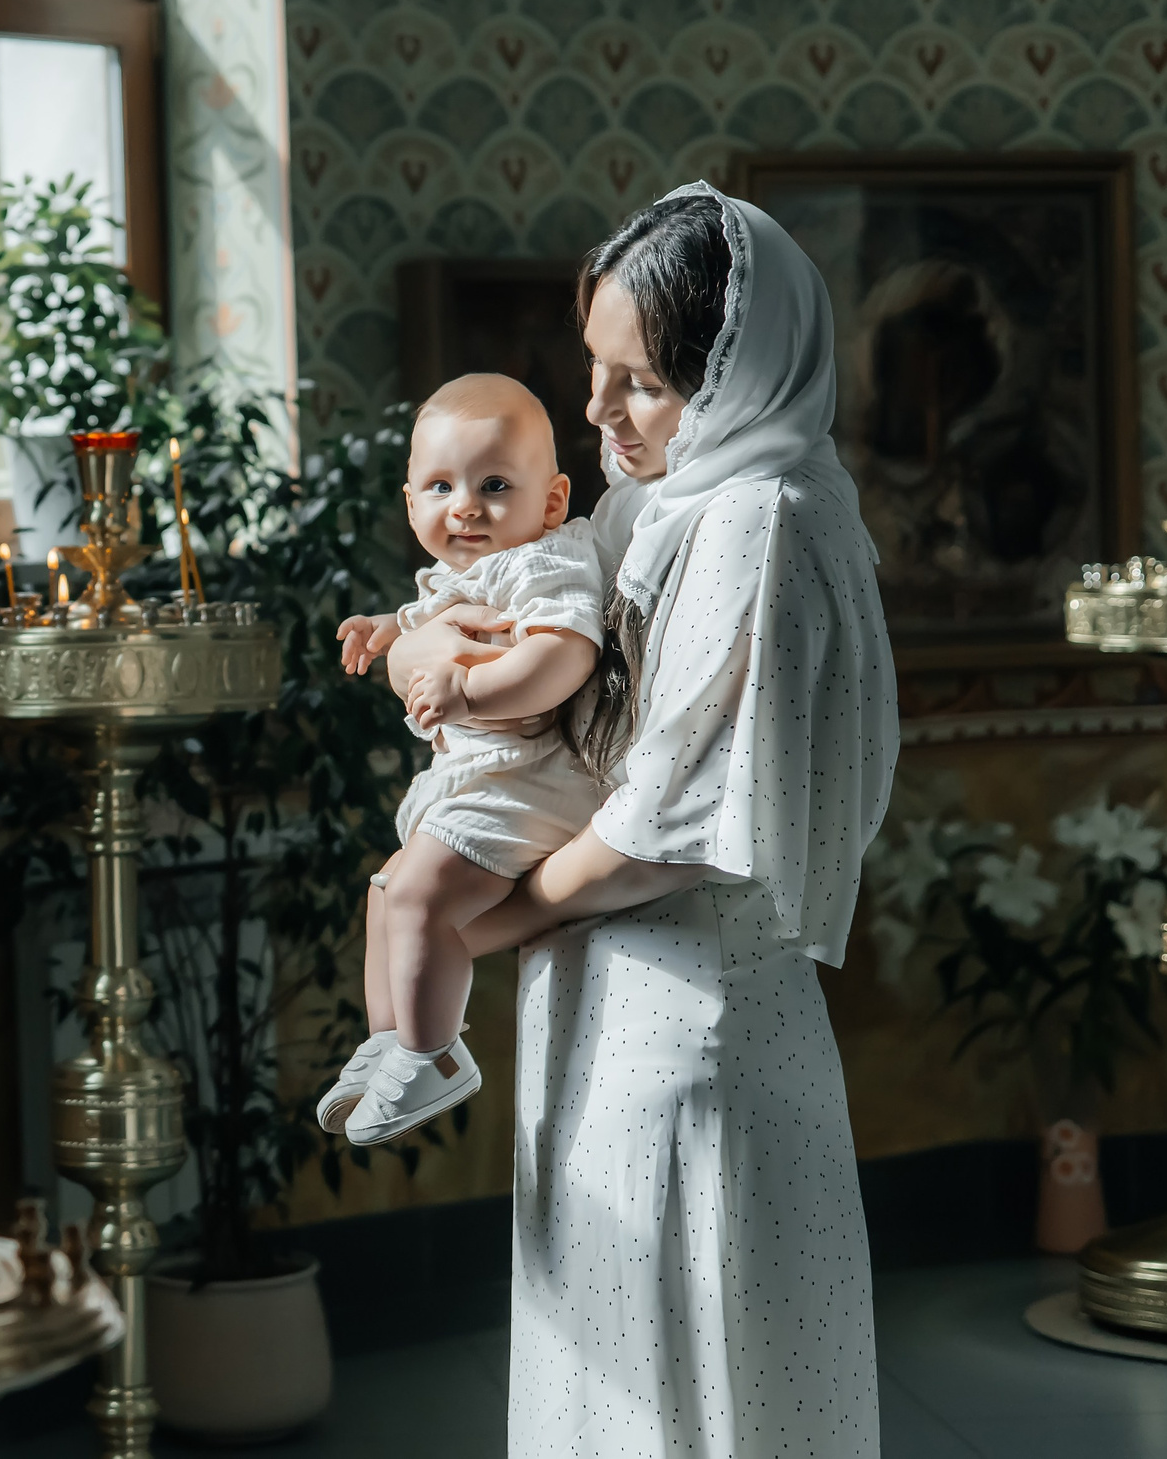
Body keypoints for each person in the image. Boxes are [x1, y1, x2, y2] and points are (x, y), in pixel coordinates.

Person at [354, 182, 897, 1456]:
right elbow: (502, 634)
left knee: (688, 1389)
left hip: (689, 1015)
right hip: (607, 986)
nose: (597, 411)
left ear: (736, 373)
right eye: (592, 367)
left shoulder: (759, 519)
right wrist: (417, 645)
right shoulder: (654, 498)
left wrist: (485, 922)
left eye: (640, 382)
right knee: (609, 1382)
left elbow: (665, 822)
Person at [316, 373, 608, 1148]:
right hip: (480, 780)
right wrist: (387, 629)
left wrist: (469, 691)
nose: (466, 506)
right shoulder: (461, 573)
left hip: (530, 780)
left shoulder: (543, 563)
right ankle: (391, 1041)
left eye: (494, 485)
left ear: (551, 500)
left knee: (419, 897)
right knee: (388, 892)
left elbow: (563, 656)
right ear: (411, 500)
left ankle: (434, 1053)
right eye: (440, 486)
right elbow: (432, 617)